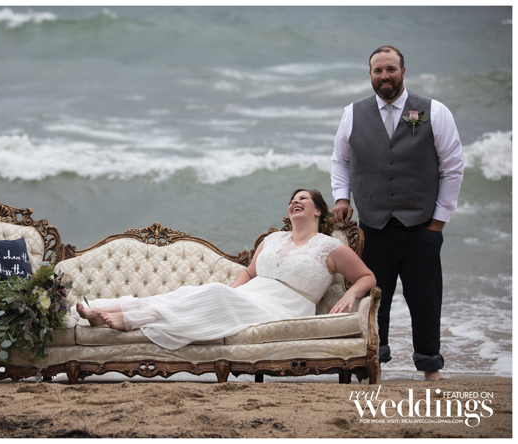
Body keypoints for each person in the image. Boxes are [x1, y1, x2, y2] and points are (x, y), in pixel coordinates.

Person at [75, 189, 376, 351]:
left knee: (211, 293)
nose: (295, 202)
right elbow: (249, 274)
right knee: (189, 293)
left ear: (318, 210)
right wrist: (231, 294)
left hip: (286, 307)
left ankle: (126, 318)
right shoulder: (272, 240)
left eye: (303, 199)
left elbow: (367, 276)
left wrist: (350, 294)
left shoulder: (329, 246)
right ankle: (101, 309)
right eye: (292, 200)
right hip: (251, 297)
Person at [330, 46, 464, 381]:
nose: (384, 76)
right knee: (374, 298)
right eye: (378, 70)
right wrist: (341, 197)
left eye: (391, 69)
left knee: (425, 297)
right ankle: (372, 363)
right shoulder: (352, 114)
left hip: (422, 225)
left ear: (403, 71)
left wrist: (438, 221)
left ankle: (430, 366)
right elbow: (340, 161)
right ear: (370, 74)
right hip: (373, 226)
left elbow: (452, 168)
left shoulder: (435, 112)